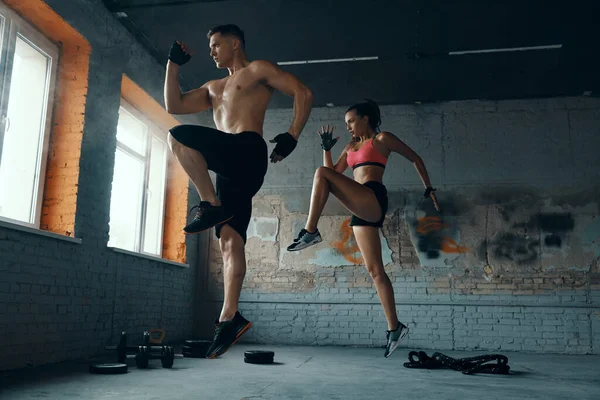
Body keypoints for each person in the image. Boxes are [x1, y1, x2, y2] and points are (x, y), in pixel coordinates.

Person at [164, 24, 313, 359]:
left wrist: (292, 133)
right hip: (230, 172)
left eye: (216, 45)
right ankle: (229, 317)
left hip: (246, 149)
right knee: (229, 240)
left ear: (235, 44)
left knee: (177, 137)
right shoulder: (212, 87)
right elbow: (174, 103)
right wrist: (172, 65)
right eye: (210, 46)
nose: (212, 51)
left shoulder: (257, 70)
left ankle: (209, 204)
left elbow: (303, 92)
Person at [286, 99, 439, 358]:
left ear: (366, 118)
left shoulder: (382, 140)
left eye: (351, 121)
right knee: (375, 270)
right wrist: (327, 148)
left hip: (372, 196)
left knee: (321, 174)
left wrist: (428, 187)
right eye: (346, 124)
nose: (348, 127)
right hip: (359, 206)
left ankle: (310, 231)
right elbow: (333, 172)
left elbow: (415, 157)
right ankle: (395, 328)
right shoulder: (350, 146)